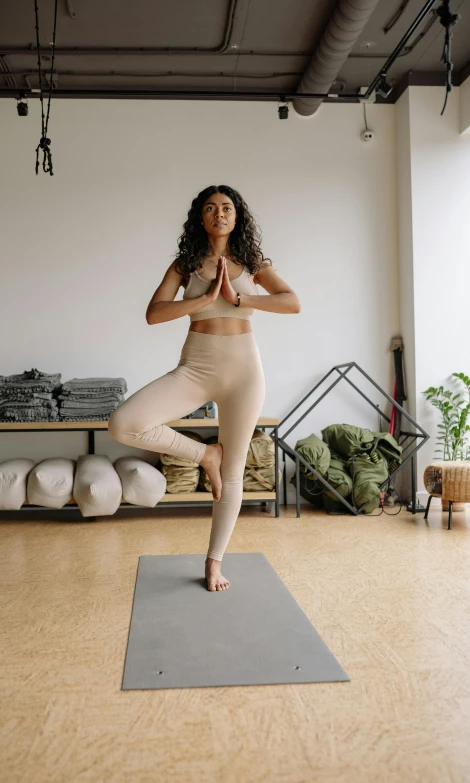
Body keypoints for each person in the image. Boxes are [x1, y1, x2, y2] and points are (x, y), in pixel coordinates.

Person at [108, 185, 300, 592]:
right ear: (200, 216)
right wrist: (201, 301)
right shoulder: (186, 264)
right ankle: (203, 455)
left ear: (237, 216)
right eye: (210, 208)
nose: (219, 214)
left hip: (244, 371)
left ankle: (214, 562)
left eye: (227, 208)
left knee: (234, 473)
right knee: (124, 423)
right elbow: (153, 314)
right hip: (196, 366)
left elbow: (291, 302)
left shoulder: (251, 262)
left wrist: (240, 298)